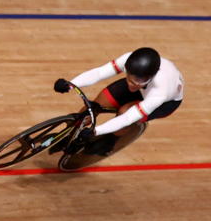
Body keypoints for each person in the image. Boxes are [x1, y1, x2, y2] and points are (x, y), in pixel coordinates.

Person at [54, 47, 184, 155]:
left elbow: (127, 118)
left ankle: (110, 141)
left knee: (124, 111)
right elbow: (100, 73)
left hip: (167, 103)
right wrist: (71, 84)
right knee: (95, 106)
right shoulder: (129, 60)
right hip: (144, 88)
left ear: (150, 77)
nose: (132, 85)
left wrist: (96, 131)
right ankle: (69, 133)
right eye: (129, 79)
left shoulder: (160, 90)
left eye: (137, 82)